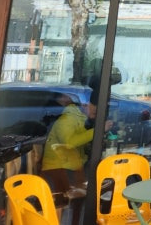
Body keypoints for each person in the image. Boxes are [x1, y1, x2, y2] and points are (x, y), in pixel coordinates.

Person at [40, 90, 112, 225]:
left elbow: (79, 142)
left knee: (85, 195)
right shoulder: (67, 119)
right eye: (95, 107)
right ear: (85, 105)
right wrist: (98, 131)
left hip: (70, 166)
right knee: (83, 195)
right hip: (57, 168)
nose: (96, 111)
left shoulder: (79, 118)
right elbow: (69, 143)